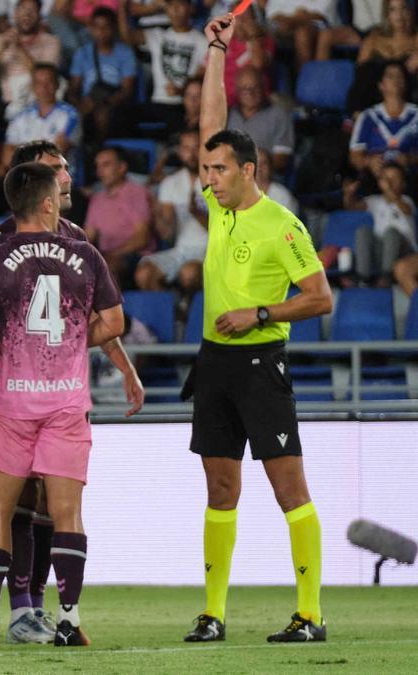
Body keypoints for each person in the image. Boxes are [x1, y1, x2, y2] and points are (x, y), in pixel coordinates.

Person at [182, 12, 333, 644]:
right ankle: (214, 613)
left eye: (219, 171)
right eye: (207, 170)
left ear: (249, 170)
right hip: (215, 361)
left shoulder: (282, 223)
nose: (208, 179)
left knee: (287, 485)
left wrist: (260, 314)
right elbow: (210, 122)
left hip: (260, 361)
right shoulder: (221, 208)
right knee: (221, 487)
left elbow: (321, 298)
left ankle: (310, 614)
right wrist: (217, 51)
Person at [0, 160, 125, 649]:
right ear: (49, 203)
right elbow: (113, 323)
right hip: (67, 405)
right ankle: (67, 621)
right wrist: (72, 338)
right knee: (67, 514)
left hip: (10, 407)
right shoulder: (86, 256)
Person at [0, 141, 143, 645]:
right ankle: (23, 607)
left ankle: (47, 607)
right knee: (20, 500)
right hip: (20, 390)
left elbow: (95, 320)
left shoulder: (73, 238)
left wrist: (124, 366)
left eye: (66, 167)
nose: (67, 176)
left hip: (60, 387)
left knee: (54, 500)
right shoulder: (0, 240)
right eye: (55, 170)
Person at [119, 0, 208, 131]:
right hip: (157, 102)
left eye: (180, 5)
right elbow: (127, 37)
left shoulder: (202, 41)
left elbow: (204, 76)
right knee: (121, 116)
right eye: (171, 6)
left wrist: (182, 91)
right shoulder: (158, 35)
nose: (175, 10)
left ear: (190, 8)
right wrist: (121, 6)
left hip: (183, 105)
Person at [136, 129, 207, 293]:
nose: (191, 153)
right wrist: (156, 213)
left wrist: (197, 213)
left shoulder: (218, 180)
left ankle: (186, 313)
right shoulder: (170, 183)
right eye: (186, 148)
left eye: (196, 147)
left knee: (189, 273)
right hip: (181, 250)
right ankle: (172, 313)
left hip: (211, 251)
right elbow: (167, 235)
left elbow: (225, 230)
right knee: (144, 274)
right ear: (180, 152)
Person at [0, 0, 61, 118]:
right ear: (14, 14)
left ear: (40, 16)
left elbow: (43, 76)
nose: (27, 15)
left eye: (32, 11)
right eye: (23, 9)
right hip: (10, 103)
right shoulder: (1, 39)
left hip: (39, 102)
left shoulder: (51, 41)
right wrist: (0, 49)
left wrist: (19, 48)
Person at [84, 147, 153, 282]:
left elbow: (142, 238)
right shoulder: (97, 199)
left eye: (106, 165)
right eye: (98, 166)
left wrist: (110, 255)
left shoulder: (137, 193)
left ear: (122, 167)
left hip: (136, 256)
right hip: (106, 256)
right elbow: (88, 237)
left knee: (108, 267)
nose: (100, 171)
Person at [67, 7, 137, 140]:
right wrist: (77, 104)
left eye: (106, 27)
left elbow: (127, 90)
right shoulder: (82, 53)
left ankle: (99, 148)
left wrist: (105, 102)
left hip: (114, 101)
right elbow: (74, 87)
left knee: (102, 113)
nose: (101, 32)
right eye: (96, 27)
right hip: (88, 101)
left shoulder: (125, 53)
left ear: (114, 28)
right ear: (91, 29)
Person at [347, 161, 416, 282]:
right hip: (383, 253)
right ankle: (363, 277)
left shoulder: (407, 201)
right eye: (386, 178)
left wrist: (389, 189)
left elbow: (407, 210)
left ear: (403, 184)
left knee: (391, 233)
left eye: (394, 179)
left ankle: (386, 277)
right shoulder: (375, 201)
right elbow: (352, 207)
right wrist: (349, 194)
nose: (389, 182)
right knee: (363, 231)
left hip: (405, 255)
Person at [349, 61, 418, 177]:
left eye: (399, 76)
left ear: (405, 83)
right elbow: (355, 156)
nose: (396, 80)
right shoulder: (368, 116)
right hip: (376, 179)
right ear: (381, 85)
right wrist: (369, 161)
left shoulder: (416, 114)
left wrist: (410, 159)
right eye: (390, 76)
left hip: (410, 179)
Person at [227, 66, 294, 174]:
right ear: (237, 91)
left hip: (262, 177)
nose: (250, 93)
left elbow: (281, 160)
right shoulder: (229, 113)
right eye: (244, 89)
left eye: (255, 87)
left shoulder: (279, 114)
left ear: (263, 88)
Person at [4, 64, 80, 155]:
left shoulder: (71, 114)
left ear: (57, 84)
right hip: (26, 169)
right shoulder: (20, 116)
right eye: (39, 83)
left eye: (49, 82)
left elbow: (59, 151)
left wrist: (23, 150)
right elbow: (7, 156)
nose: (44, 87)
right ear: (32, 86)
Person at [265, 0, 338, 70]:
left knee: (303, 34)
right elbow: (272, 14)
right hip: (283, 26)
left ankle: (306, 78)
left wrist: (293, 20)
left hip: (318, 26)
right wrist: (293, 19)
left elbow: (321, 14)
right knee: (262, 34)